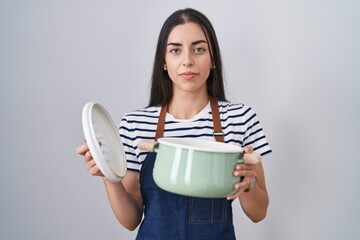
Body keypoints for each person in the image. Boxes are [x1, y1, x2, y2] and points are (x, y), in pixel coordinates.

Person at [76, 8, 272, 240]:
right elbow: (130, 220)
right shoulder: (134, 124)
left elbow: (258, 213)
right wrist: (108, 173)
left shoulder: (240, 119)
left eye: (199, 49)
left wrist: (248, 184)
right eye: (176, 51)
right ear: (164, 62)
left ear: (213, 60)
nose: (187, 61)